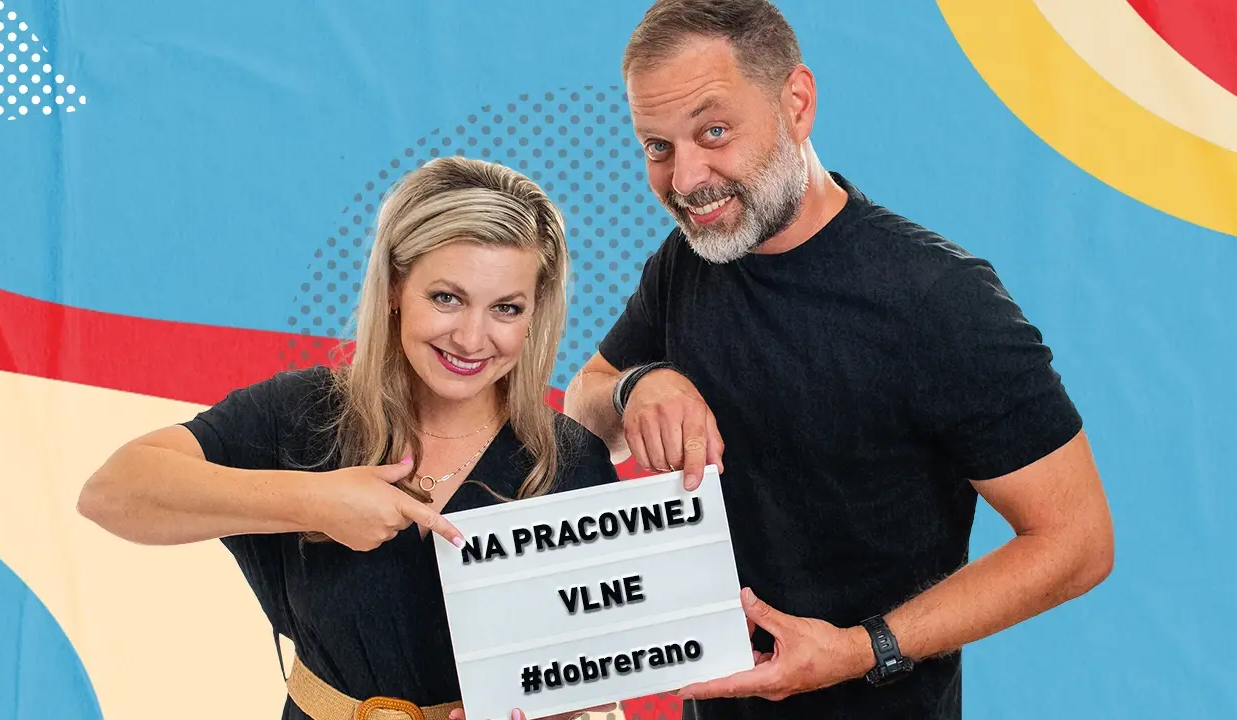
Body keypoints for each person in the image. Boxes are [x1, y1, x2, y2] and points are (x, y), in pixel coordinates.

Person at [562, 1, 1116, 718]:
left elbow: (1077, 541)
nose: (687, 177)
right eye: (657, 146)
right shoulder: (691, 260)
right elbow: (586, 408)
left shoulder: (939, 300)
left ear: (796, 103)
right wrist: (639, 384)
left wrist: (863, 648)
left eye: (714, 131)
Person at [77, 156, 621, 720]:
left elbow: (599, 680)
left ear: (535, 315)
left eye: (506, 308)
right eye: (446, 298)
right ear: (395, 288)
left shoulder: (572, 464)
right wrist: (314, 501)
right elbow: (111, 493)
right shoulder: (302, 414)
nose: (470, 338)